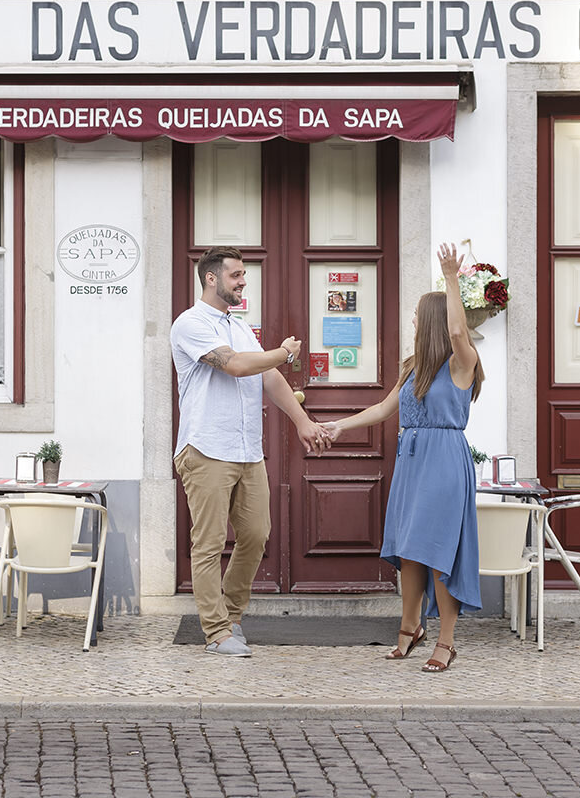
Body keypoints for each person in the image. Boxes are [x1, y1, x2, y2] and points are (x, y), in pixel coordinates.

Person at [327, 242, 484, 672]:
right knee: (410, 549)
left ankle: (447, 642)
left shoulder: (462, 362)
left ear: (431, 320)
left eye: (417, 315)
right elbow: (383, 409)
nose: (413, 321)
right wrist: (341, 425)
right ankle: (410, 627)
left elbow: (456, 332)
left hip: (444, 462)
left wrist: (451, 278)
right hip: (412, 462)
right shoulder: (414, 366)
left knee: (437, 552)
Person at [171, 245, 330, 657]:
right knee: (207, 544)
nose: (243, 281)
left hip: (247, 450)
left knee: (257, 535)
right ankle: (216, 631)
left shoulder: (238, 326)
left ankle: (233, 614)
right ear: (211, 278)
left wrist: (302, 422)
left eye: (243, 274)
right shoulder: (189, 324)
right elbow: (236, 366)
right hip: (206, 446)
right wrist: (284, 351)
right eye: (236, 275)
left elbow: (270, 377)